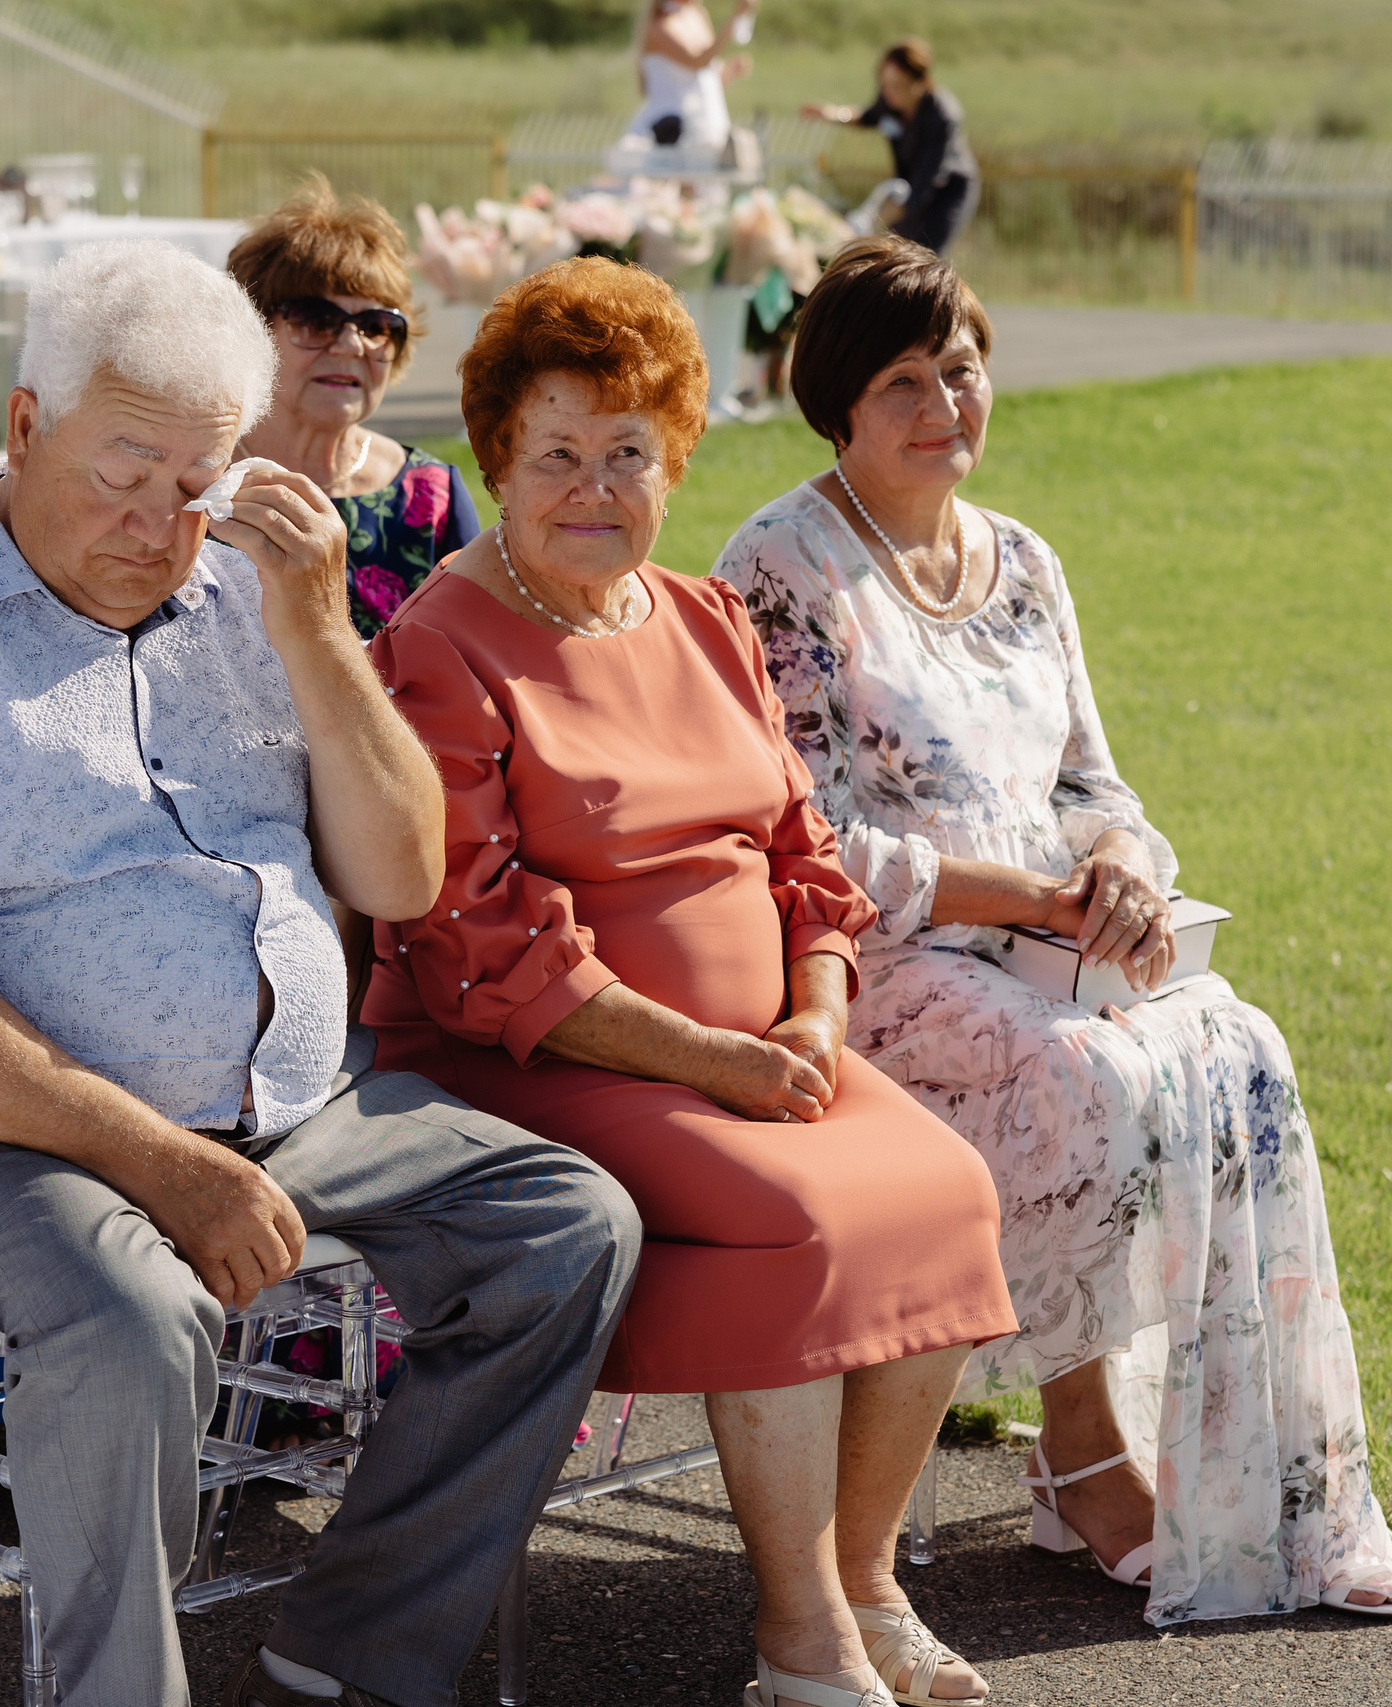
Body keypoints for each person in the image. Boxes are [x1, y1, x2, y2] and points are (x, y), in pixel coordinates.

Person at [0, 239, 642, 1707]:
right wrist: (166, 1165)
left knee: (565, 1228)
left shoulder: (246, 601)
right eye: (121, 466)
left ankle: (352, 1652)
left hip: (288, 1100)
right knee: (131, 1316)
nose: (154, 515)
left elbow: (400, 876)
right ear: (28, 422)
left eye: (195, 479)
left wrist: (313, 625)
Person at [712, 236, 1392, 1625]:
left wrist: (1116, 863)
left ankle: (1274, 1476)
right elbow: (803, 841)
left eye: (964, 370)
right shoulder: (781, 563)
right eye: (904, 383)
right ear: (838, 407)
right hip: (877, 965)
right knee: (1095, 1081)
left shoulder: (1028, 559)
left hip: (1055, 940)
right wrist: (1029, 899)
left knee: (1245, 1052)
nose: (945, 405)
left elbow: (1093, 783)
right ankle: (1084, 1445)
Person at [364, 255, 1013, 1707]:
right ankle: (798, 1636)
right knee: (800, 1218)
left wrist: (817, 1009)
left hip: (762, 1048)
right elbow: (479, 946)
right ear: (496, 459)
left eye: (630, 454)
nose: (595, 487)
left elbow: (803, 853)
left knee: (952, 1189)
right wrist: (714, 1061)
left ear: (677, 461)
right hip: (540, 1058)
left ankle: (862, 1583)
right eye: (559, 454)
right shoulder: (441, 644)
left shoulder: (705, 616)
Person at [227, 177, 480, 643]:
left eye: (377, 325)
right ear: (253, 331)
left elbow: (475, 659)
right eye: (316, 321)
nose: (350, 345)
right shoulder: (196, 483)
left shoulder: (434, 497)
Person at [802, 40, 980, 255]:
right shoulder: (890, 102)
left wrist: (883, 216)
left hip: (945, 191)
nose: (889, 93)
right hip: (909, 188)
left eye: (898, 86)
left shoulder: (942, 116)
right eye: (884, 85)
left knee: (924, 257)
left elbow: (929, 175)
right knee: (896, 252)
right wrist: (833, 114)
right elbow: (869, 116)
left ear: (920, 82)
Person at [627, 0, 754, 152]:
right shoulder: (660, 26)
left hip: (706, 128)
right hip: (669, 133)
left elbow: (705, 84)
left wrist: (729, 73)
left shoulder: (697, 14)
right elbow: (698, 61)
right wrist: (734, 18)